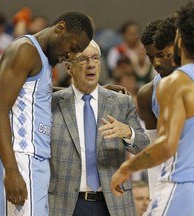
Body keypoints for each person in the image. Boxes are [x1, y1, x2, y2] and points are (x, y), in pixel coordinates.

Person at [111, 2, 194, 215]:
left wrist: (128, 167)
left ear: (180, 39)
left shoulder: (175, 82)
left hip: (183, 189)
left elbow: (165, 146)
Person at [0, 11, 93, 216]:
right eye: (73, 47)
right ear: (60, 28)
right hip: (19, 155)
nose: (70, 56)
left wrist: (95, 91)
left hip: (30, 158)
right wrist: (12, 170)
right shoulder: (25, 51)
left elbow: (38, 95)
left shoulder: (41, 59)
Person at [48, 40, 149, 216]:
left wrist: (128, 132)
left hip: (113, 204)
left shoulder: (121, 102)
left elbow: (145, 147)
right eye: (82, 59)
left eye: (95, 58)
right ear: (68, 67)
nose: (91, 64)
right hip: (66, 204)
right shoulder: (53, 103)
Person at [138, 16, 178, 199]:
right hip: (172, 179)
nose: (155, 63)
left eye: (161, 54)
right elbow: (154, 151)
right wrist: (155, 196)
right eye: (150, 56)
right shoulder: (147, 94)